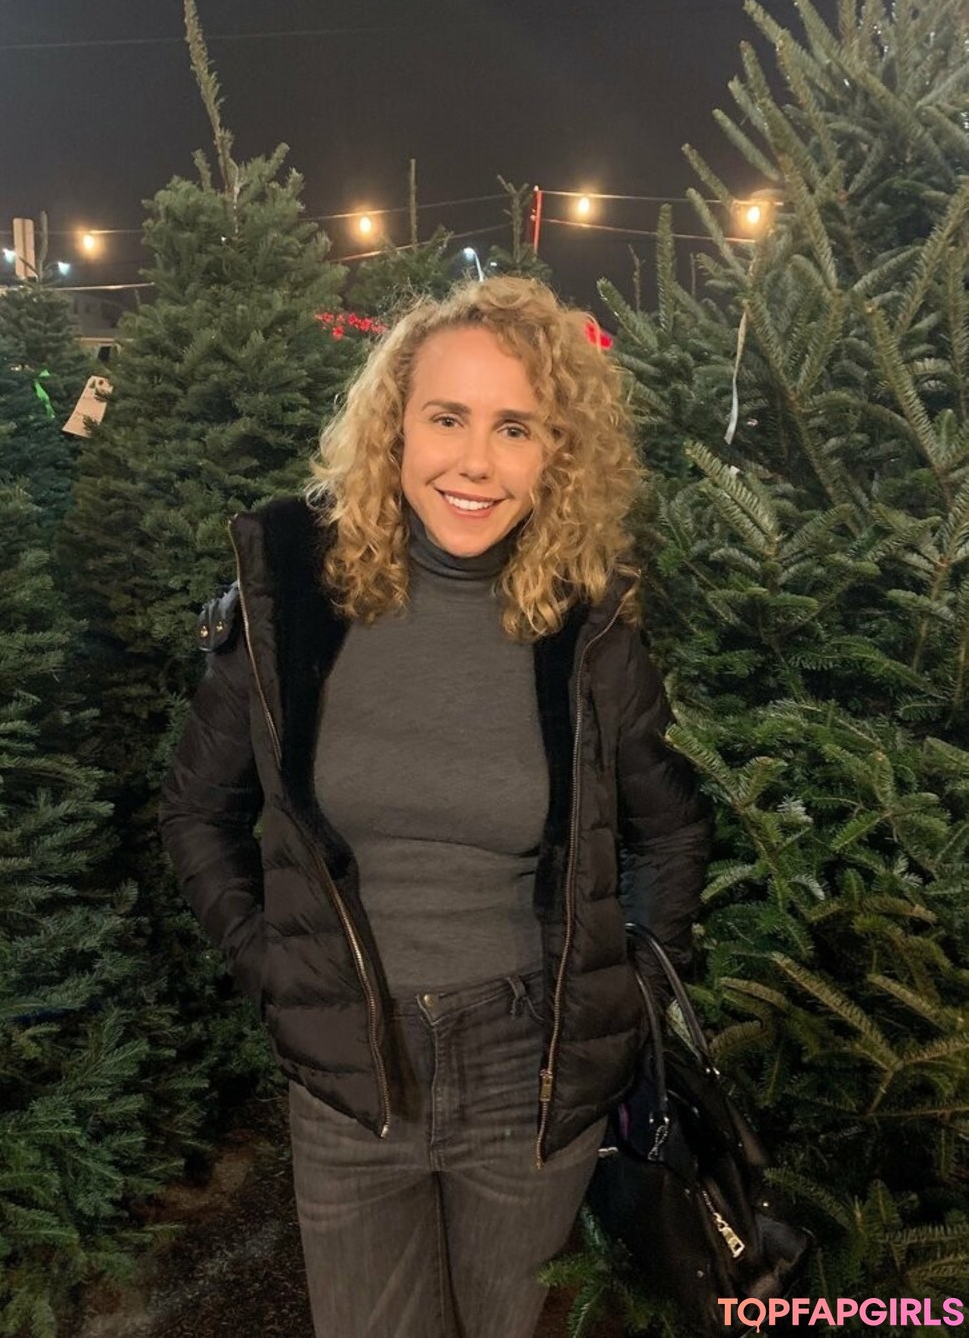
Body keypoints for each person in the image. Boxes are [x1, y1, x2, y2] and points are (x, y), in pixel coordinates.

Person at [159, 275, 712, 1338]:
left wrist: (622, 995)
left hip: (529, 1069)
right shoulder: (292, 597)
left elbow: (671, 829)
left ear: (559, 453)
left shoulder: (590, 626)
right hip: (350, 1070)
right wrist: (276, 967)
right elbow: (197, 813)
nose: (475, 462)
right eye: (447, 418)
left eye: (516, 427)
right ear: (395, 428)